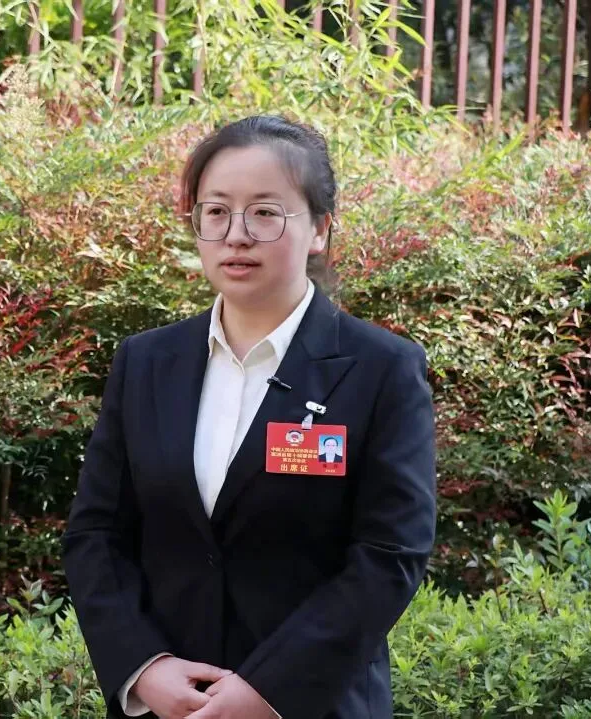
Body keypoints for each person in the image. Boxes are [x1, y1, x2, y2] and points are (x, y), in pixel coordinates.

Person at [62, 115, 436, 719]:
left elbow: (390, 553)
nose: (236, 235)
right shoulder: (147, 362)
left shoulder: (381, 369)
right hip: (169, 707)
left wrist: (269, 690)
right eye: (216, 212)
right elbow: (95, 535)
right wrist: (145, 667)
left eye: (265, 213)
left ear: (319, 229)